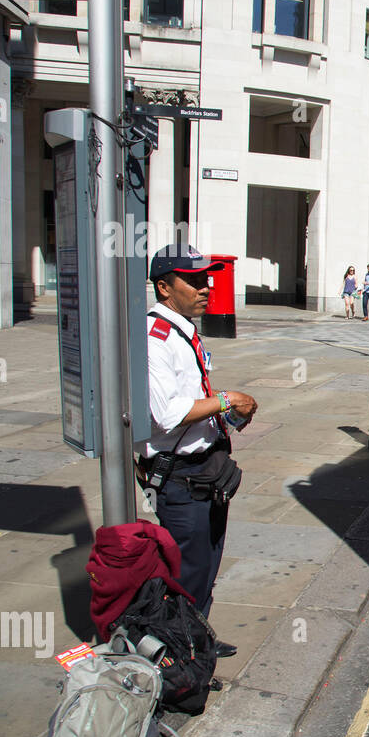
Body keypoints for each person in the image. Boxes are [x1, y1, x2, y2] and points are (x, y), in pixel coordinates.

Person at [138, 244, 259, 653]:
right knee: (187, 571)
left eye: (205, 279)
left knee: (206, 565)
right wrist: (227, 399)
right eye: (192, 281)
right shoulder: (155, 338)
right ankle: (180, 657)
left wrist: (228, 416)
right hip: (180, 477)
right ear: (164, 287)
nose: (204, 288)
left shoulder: (184, 331)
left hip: (207, 470)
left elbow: (194, 400)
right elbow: (167, 414)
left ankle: (197, 639)